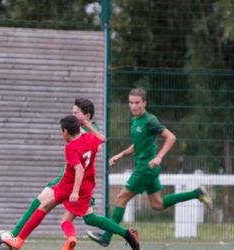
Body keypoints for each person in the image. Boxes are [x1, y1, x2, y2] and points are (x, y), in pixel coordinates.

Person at [87, 87, 212, 247]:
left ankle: (106, 237)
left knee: (120, 199)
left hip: (146, 168)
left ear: (144, 103)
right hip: (147, 167)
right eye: (131, 103)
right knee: (157, 204)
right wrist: (121, 155)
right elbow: (137, 144)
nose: (134, 106)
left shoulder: (150, 120)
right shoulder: (134, 121)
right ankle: (196, 193)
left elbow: (171, 137)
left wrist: (159, 157)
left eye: (137, 103)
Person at [5, 115, 140, 250]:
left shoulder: (70, 148)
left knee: (43, 207)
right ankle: (126, 234)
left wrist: (74, 192)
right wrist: (87, 124)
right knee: (79, 219)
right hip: (86, 186)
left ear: (65, 132)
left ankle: (20, 240)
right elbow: (102, 139)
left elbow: (79, 169)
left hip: (69, 185)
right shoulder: (90, 138)